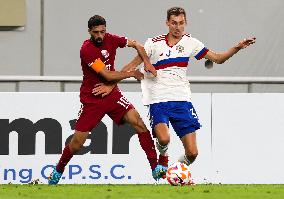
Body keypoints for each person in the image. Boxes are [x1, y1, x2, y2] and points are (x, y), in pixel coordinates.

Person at [122, 7, 256, 177]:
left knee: (192, 153)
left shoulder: (191, 43)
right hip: (158, 99)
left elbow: (218, 59)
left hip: (181, 100)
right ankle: (163, 157)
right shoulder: (152, 44)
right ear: (167, 23)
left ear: (185, 23)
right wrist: (112, 81)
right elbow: (130, 66)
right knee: (164, 139)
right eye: (174, 23)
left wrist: (238, 47)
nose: (177, 27)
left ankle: (173, 173)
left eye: (181, 23)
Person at [48, 15, 166, 185]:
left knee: (138, 122)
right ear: (89, 31)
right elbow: (106, 74)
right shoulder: (87, 50)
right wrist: (131, 73)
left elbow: (138, 45)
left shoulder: (112, 39)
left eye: (102, 31)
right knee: (77, 143)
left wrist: (146, 62)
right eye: (96, 32)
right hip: (93, 99)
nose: (100, 36)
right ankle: (58, 170)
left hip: (112, 95)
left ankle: (155, 167)